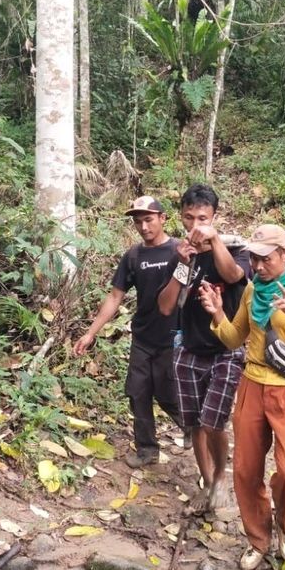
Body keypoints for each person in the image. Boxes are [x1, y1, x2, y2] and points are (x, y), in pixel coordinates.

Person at [200, 224, 285, 570]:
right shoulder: (250, 292)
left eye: (265, 259)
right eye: (253, 259)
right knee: (246, 470)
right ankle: (258, 540)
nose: (258, 267)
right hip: (251, 383)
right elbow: (234, 338)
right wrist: (217, 312)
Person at [156, 184, 250, 511]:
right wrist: (182, 264)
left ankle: (222, 477)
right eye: (189, 217)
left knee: (214, 422)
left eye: (203, 218)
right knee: (194, 423)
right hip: (189, 349)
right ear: (181, 217)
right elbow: (166, 306)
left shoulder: (236, 250)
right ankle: (207, 483)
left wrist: (214, 241)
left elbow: (233, 274)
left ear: (215, 217)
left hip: (226, 349)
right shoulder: (180, 255)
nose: (195, 225)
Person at [74, 196, 185, 467]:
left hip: (174, 339)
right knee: (138, 393)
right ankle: (147, 450)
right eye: (138, 222)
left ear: (163, 218)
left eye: (148, 219)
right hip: (143, 338)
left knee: (168, 394)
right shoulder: (134, 256)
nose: (143, 227)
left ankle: (199, 431)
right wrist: (91, 332)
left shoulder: (179, 251)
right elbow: (115, 297)